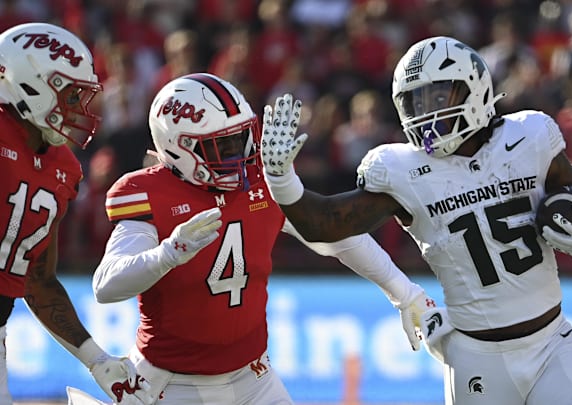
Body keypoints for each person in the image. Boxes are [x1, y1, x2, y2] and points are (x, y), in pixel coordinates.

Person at [261, 36, 572, 405]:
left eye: (438, 98)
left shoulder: (527, 137)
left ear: (475, 89)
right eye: (415, 102)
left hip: (552, 343)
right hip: (477, 358)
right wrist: (281, 179)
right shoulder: (403, 170)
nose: (426, 114)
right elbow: (323, 224)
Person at [91, 72, 434, 404]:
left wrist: (405, 292)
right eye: (221, 145)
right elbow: (107, 285)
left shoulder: (262, 180)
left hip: (253, 378)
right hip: (171, 384)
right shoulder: (148, 192)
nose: (238, 154)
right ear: (179, 147)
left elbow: (334, 237)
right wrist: (168, 253)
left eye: (240, 138)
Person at [0, 23, 152, 404]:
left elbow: (39, 280)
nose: (79, 110)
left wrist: (97, 360)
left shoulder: (63, 168)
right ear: (30, 84)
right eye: (69, 96)